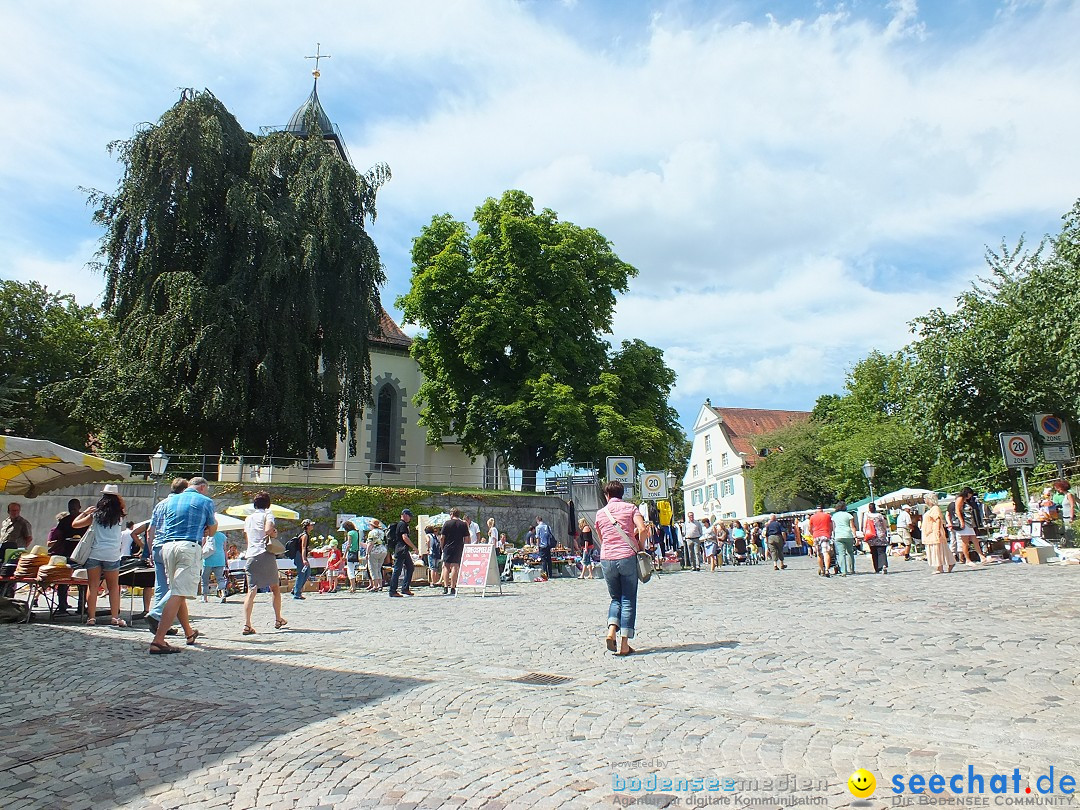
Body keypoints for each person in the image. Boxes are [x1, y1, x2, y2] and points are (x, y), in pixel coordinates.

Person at [147, 476, 216, 653]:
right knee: (178, 592)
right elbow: (211, 530)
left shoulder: (169, 501)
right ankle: (158, 640)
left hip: (167, 547)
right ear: (202, 487)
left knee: (178, 590)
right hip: (188, 546)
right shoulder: (205, 501)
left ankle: (189, 633)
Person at [596, 481, 647, 657]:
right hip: (626, 556)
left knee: (615, 598)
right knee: (628, 599)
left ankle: (611, 631)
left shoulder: (600, 513)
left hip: (607, 558)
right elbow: (642, 529)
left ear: (607, 495)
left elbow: (601, 538)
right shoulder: (631, 508)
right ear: (622, 494)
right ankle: (624, 644)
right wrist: (640, 547)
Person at [70, 484, 128, 627]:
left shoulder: (95, 515)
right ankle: (115, 617)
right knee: (114, 587)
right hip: (112, 554)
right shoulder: (120, 517)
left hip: (95, 553)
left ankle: (91, 618)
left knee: (93, 586)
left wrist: (84, 513)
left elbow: (74, 524)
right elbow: (122, 505)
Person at [241, 491, 287, 635]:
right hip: (264, 554)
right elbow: (268, 530)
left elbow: (248, 537)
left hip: (251, 555)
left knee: (251, 591)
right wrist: (273, 533)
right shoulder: (268, 514)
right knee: (275, 588)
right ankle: (278, 618)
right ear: (268, 504)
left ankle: (247, 624)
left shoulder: (248, 518)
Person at [922, 492, 955, 574]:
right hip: (929, 532)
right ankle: (949, 562)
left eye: (925, 499)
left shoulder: (935, 508)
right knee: (940, 548)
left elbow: (938, 520)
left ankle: (939, 567)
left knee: (937, 549)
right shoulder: (931, 509)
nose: (924, 501)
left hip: (933, 532)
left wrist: (936, 531)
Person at [387, 508, 417, 598]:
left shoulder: (402, 524)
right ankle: (392, 591)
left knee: (410, 567)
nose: (410, 518)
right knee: (397, 570)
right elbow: (405, 537)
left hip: (403, 549)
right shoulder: (402, 524)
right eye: (409, 516)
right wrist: (414, 547)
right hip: (401, 549)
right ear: (404, 515)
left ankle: (405, 588)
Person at [950, 487, 983, 565]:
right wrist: (961, 521)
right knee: (965, 541)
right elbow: (957, 510)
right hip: (965, 522)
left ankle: (982, 556)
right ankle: (968, 559)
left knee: (974, 540)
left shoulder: (965, 500)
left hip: (969, 522)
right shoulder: (960, 498)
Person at [440, 508, 469, 596]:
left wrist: (442, 547)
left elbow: (442, 537)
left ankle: (445, 587)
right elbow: (467, 538)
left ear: (452, 514)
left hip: (448, 547)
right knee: (455, 567)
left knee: (446, 566)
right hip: (458, 547)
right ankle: (453, 587)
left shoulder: (447, 523)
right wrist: (466, 547)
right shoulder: (463, 524)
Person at [201, 529, 228, 603]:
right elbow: (225, 549)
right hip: (220, 559)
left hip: (208, 560)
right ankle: (223, 594)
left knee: (205, 579)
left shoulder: (206, 535)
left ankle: (204, 598)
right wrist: (226, 561)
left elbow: (202, 547)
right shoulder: (223, 536)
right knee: (220, 578)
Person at [862, 502, 890, 574]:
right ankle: (883, 565)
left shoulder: (867, 515)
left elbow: (864, 526)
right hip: (880, 535)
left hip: (871, 536)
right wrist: (885, 532)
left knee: (874, 552)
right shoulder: (879, 515)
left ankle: (877, 568)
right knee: (881, 552)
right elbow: (884, 525)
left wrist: (864, 533)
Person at [831, 502, 856, 577]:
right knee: (850, 552)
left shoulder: (834, 516)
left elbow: (833, 527)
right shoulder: (848, 515)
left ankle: (843, 571)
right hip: (848, 534)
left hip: (838, 535)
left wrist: (833, 535)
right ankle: (852, 569)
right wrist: (855, 535)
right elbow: (852, 526)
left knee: (841, 554)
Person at [291, 519, 314, 600]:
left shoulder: (305, 534)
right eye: (311, 525)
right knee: (301, 574)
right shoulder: (305, 536)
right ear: (307, 526)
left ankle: (295, 589)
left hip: (300, 555)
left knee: (307, 572)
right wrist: (304, 559)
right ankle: (297, 593)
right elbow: (303, 548)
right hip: (300, 556)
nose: (312, 526)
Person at [808, 505, 834, 578]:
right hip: (825, 535)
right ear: (822, 509)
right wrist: (830, 533)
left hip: (816, 535)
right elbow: (831, 526)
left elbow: (810, 528)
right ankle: (827, 570)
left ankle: (822, 570)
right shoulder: (827, 516)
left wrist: (812, 534)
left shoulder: (812, 517)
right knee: (826, 553)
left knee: (819, 554)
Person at [365, 521, 387, 592]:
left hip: (374, 551)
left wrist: (367, 553)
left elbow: (370, 543)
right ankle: (380, 585)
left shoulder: (371, 532)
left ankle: (375, 586)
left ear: (372, 525)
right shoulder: (382, 532)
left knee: (373, 569)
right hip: (383, 551)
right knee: (378, 568)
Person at [343, 520, 363, 593]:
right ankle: (352, 586)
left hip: (351, 553)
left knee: (350, 570)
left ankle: (353, 586)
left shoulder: (350, 533)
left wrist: (344, 555)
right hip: (356, 552)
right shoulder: (356, 532)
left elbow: (348, 545)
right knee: (354, 569)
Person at [1054, 479, 1076, 544]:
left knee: (1071, 533)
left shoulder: (1069, 495)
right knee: (1068, 533)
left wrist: (1071, 517)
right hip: (1065, 517)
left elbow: (1072, 506)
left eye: (1058, 488)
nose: (1058, 489)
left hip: (1069, 517)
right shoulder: (1065, 495)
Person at [535, 516, 556, 580]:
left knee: (543, 560)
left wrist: (537, 546)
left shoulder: (538, 527)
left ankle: (545, 574)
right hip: (548, 545)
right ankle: (550, 574)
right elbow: (550, 535)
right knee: (549, 560)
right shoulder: (547, 526)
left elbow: (538, 537)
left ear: (537, 521)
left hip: (542, 545)